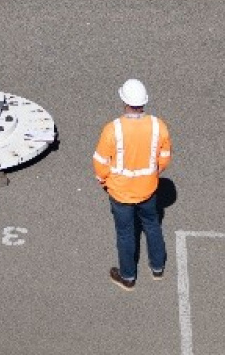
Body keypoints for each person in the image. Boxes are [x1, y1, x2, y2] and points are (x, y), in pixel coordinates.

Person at [93, 78, 172, 291]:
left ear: (124, 101)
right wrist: (153, 174)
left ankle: (128, 276)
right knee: (152, 225)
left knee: (126, 233)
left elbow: (100, 163)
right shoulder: (158, 126)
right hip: (148, 189)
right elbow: (164, 158)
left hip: (120, 193)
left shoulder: (113, 129)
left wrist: (104, 182)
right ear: (143, 103)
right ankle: (158, 267)